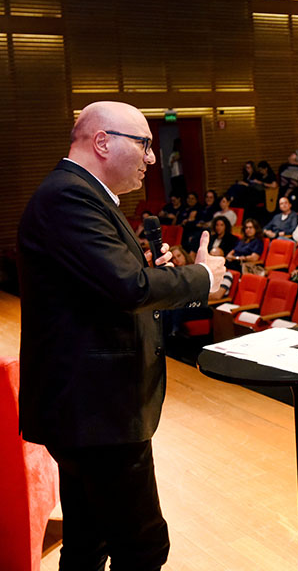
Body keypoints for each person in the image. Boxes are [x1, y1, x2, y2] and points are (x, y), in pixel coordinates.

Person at [17, 101, 226, 570]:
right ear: (102, 141)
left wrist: (150, 273)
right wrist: (202, 278)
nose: (153, 159)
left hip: (85, 411)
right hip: (97, 412)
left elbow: (103, 286)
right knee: (142, 547)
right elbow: (128, 288)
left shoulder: (78, 195)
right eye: (145, 144)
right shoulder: (68, 198)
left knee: (88, 541)